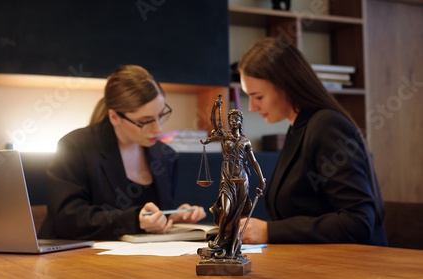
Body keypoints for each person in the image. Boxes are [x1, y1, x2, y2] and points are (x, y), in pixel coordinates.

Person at [237, 37, 388, 246]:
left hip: (353, 268)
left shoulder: (327, 126)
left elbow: (357, 221)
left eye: (258, 97)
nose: (252, 107)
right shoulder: (299, 128)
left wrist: (270, 231)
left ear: (286, 86)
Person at [38, 65, 206, 240]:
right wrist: (134, 220)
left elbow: (152, 213)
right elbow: (67, 218)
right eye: (145, 121)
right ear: (114, 117)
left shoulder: (164, 155)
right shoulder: (75, 147)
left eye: (160, 115)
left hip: (142, 258)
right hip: (75, 258)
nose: (158, 128)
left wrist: (170, 217)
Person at [200, 95, 265, 259]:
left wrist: (261, 179)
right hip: (227, 178)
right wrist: (216, 106)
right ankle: (220, 240)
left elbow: (254, 162)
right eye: (231, 119)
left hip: (242, 180)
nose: (234, 121)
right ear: (228, 121)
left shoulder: (245, 141)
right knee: (225, 210)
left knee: (236, 214)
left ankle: (233, 245)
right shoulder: (224, 136)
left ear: (241, 121)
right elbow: (215, 122)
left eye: (237, 119)